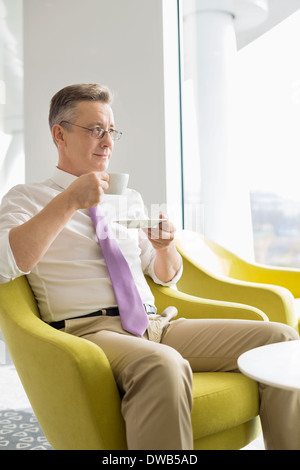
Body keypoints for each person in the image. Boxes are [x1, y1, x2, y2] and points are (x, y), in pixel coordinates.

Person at [0, 83, 299, 450]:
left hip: (157, 324)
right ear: (59, 134)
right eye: (95, 130)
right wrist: (68, 202)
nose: (107, 141)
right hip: (90, 333)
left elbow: (162, 274)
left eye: (111, 131)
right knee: (163, 365)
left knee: (279, 340)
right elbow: (5, 264)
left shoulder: (127, 199)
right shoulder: (28, 199)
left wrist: (164, 247)